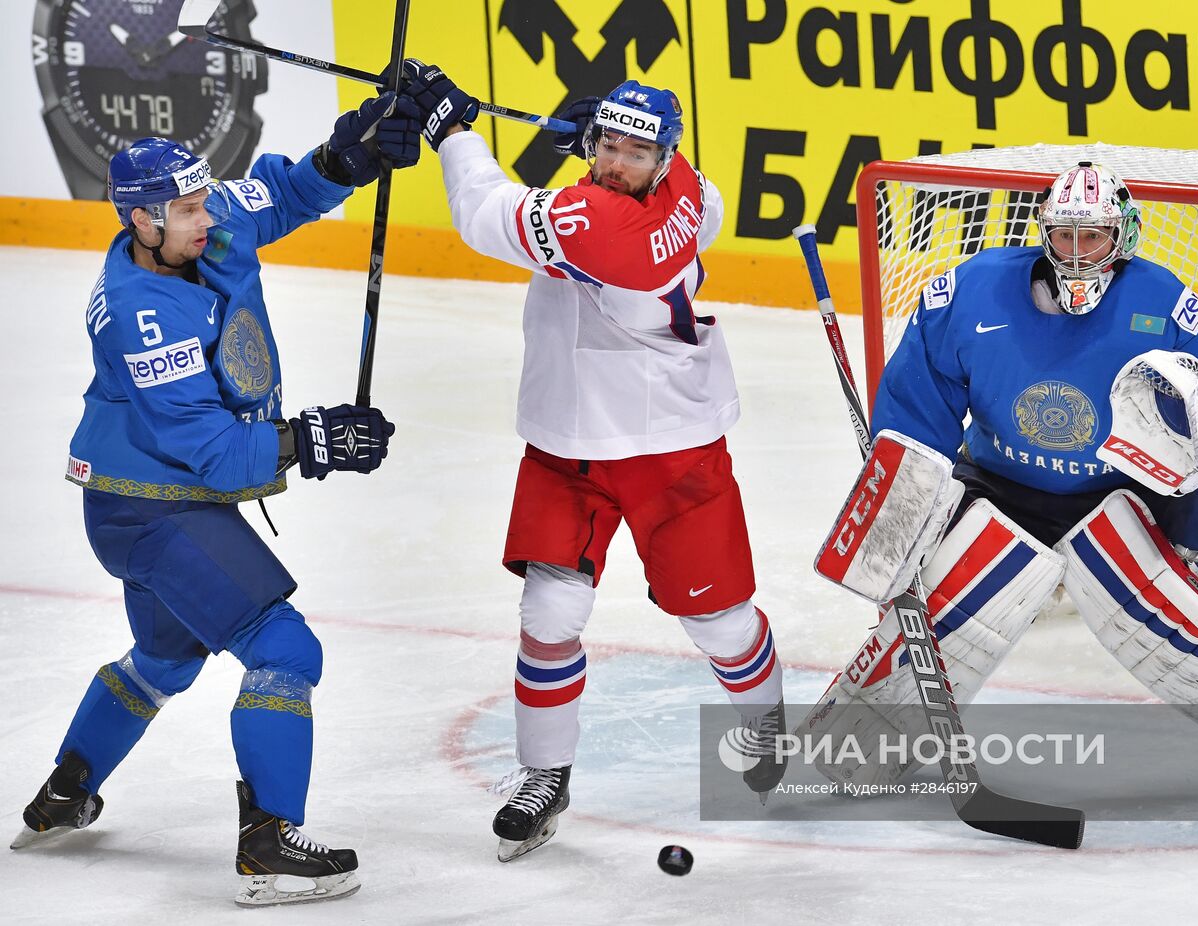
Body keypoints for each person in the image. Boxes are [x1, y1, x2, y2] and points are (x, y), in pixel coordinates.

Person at [807, 161, 1198, 805]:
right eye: (1066, 236)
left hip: (1116, 499)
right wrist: (905, 514)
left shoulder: (1163, 304)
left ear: (1122, 235)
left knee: (1178, 633)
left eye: (1094, 237)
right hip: (998, 487)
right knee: (944, 622)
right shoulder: (972, 291)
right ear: (1043, 232)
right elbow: (916, 409)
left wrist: (1181, 480)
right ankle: (849, 753)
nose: (1077, 254)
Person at [10, 92, 416, 906]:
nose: (207, 219)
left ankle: (65, 791)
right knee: (285, 650)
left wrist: (350, 156)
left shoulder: (203, 217)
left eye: (203, 200)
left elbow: (286, 195)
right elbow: (218, 455)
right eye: (187, 210)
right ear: (141, 224)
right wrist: (314, 440)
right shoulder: (140, 315)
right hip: (156, 509)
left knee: (164, 658)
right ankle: (268, 844)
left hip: (134, 505)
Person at [395, 61, 787, 860]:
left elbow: (483, 212)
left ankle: (768, 726)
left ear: (664, 158)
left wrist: (453, 128)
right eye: (606, 144)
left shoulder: (606, 230)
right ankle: (544, 774)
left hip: (669, 449)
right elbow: (602, 187)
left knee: (719, 622)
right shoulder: (694, 192)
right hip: (569, 443)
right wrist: (598, 141)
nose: (613, 161)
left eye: (631, 154)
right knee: (549, 615)